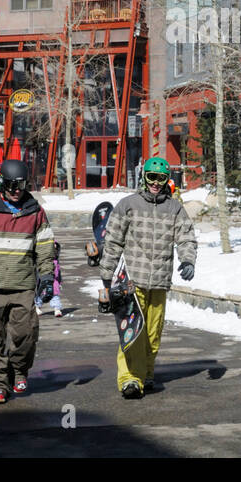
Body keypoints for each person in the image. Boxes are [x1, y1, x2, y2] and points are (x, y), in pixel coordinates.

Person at [100, 155, 197, 399]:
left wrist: (188, 260)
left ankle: (147, 374)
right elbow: (112, 240)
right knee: (133, 331)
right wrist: (106, 274)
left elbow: (186, 237)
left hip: (160, 281)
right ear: (144, 177)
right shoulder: (128, 204)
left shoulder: (174, 208)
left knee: (153, 333)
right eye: (151, 177)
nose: (155, 182)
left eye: (161, 178)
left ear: (167, 181)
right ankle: (130, 378)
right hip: (132, 281)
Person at [0, 158, 54, 404]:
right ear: (2, 183)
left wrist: (46, 276)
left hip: (23, 285)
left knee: (26, 336)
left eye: (22, 185)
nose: (18, 191)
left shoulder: (34, 210)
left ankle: (18, 370)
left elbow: (46, 246)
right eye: (12, 186)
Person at [35, 241, 63, 317]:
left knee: (55, 295)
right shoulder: (41, 260)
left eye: (56, 249)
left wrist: (60, 282)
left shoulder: (56, 261)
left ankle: (57, 309)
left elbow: (59, 272)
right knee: (39, 296)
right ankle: (36, 307)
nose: (54, 251)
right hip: (42, 281)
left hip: (54, 282)